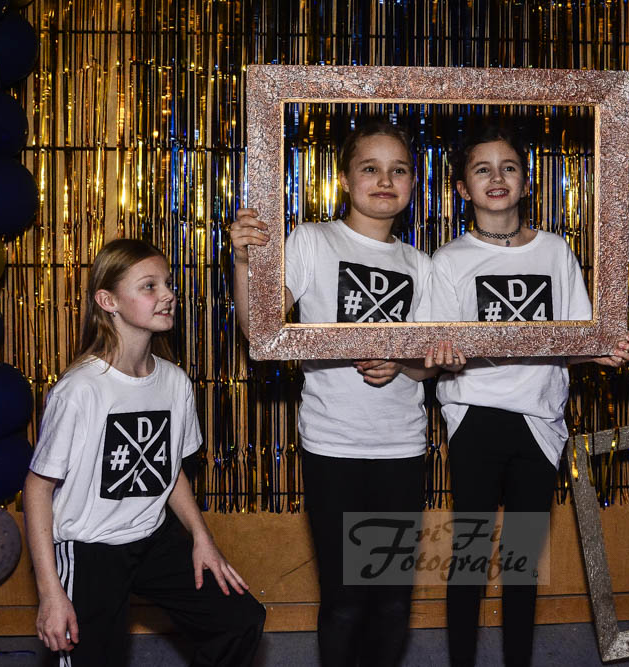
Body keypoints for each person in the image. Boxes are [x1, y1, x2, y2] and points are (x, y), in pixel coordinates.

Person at [425, 125, 629, 666]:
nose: (497, 177)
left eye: (509, 167)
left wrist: (602, 351)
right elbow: (439, 347)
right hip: (475, 417)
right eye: (482, 169)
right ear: (462, 189)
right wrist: (442, 352)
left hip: (540, 422)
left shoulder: (556, 251)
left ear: (526, 181)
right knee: (470, 558)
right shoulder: (448, 260)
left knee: (522, 562)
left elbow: (574, 339)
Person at [230, 120, 437, 666]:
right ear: (345, 179)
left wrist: (402, 361)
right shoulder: (312, 240)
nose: (385, 181)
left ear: (413, 183)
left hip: (400, 447)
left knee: (391, 602)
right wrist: (245, 262)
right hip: (333, 446)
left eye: (398, 170)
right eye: (370, 168)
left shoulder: (420, 264)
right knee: (345, 601)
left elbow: (428, 370)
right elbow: (262, 332)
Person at [23, 238, 265, 666]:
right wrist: (50, 592)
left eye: (168, 284)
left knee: (238, 618)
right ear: (108, 301)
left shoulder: (174, 382)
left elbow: (170, 473)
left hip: (153, 537)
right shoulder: (80, 389)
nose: (168, 294)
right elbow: (38, 489)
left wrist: (202, 538)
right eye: (149, 286)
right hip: (90, 547)